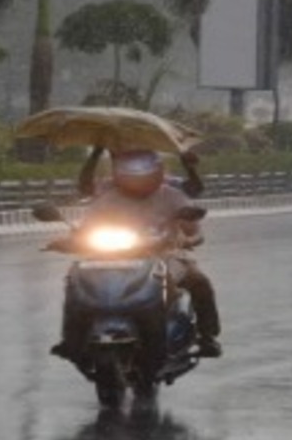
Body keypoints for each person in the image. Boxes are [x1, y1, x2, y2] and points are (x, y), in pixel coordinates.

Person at [56, 149, 222, 359]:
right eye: (131, 172)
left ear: (157, 171)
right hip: (111, 257)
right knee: (75, 280)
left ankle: (207, 336)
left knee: (200, 282)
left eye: (143, 171)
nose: (137, 178)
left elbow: (195, 229)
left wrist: (188, 239)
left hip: (164, 254)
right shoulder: (108, 195)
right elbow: (87, 226)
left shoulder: (172, 194)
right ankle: (71, 338)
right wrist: (72, 240)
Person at [78, 145, 204, 198]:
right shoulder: (114, 186)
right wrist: (96, 153)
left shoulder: (164, 184)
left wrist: (190, 168)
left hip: (159, 234)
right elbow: (85, 188)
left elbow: (194, 190)